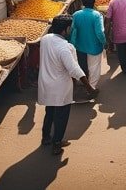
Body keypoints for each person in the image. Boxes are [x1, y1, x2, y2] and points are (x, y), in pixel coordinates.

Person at [38, 15, 98, 155]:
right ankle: (57, 143)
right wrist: (89, 87)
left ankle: (46, 137)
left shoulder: (45, 39)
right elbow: (74, 69)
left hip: (46, 84)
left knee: (50, 112)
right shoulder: (65, 47)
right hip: (60, 87)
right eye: (70, 27)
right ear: (65, 30)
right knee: (61, 116)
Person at [69, 0, 106, 89]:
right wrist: (104, 42)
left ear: (82, 2)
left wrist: (72, 44)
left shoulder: (76, 14)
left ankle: (82, 83)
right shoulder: (97, 15)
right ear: (94, 1)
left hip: (80, 46)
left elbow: (72, 30)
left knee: (82, 65)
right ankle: (92, 87)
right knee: (94, 68)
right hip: (94, 47)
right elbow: (100, 32)